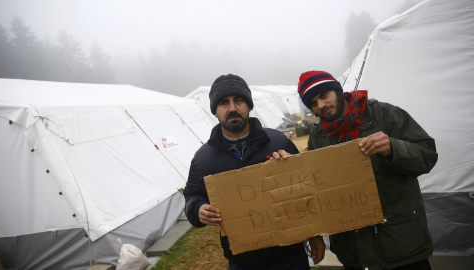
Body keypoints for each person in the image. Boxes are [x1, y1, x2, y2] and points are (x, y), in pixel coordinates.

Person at [273, 70, 438, 270]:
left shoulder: (385, 115)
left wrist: (393, 148)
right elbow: (316, 188)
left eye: (324, 96)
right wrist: (293, 169)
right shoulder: (319, 137)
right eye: (314, 103)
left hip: (401, 247)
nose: (321, 105)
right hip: (354, 253)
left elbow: (427, 156)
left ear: (338, 91)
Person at [183, 74, 325, 270]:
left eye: (238, 100)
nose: (232, 108)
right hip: (243, 261)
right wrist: (197, 209)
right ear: (215, 111)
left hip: (289, 256)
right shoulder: (203, 159)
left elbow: (304, 188)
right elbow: (192, 194)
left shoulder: (278, 142)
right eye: (224, 103)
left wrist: (315, 235)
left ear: (249, 105)